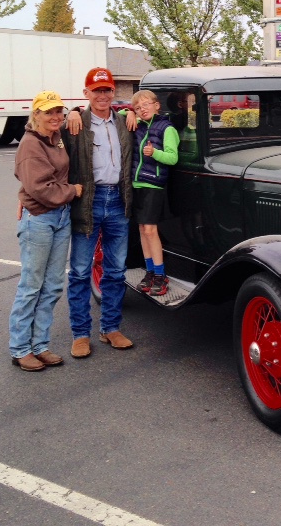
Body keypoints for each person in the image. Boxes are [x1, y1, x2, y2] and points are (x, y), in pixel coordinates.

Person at [61, 67, 134, 358]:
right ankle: (80, 334)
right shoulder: (75, 122)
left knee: (116, 271)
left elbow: (155, 115)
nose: (102, 95)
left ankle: (110, 329)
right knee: (80, 271)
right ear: (86, 93)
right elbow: (45, 138)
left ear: (113, 92)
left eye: (107, 90)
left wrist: (131, 110)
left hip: (118, 201)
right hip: (87, 202)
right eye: (96, 90)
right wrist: (71, 112)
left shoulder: (125, 122)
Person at [9, 91, 83, 371]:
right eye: (48, 111)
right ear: (35, 114)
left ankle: (40, 345)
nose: (55, 117)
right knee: (31, 286)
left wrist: (76, 110)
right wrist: (73, 190)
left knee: (52, 286)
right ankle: (20, 348)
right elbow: (40, 188)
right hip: (39, 218)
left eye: (59, 111)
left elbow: (107, 111)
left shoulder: (56, 134)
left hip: (60, 218)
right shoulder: (30, 145)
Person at [131, 90, 180, 295]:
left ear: (156, 105)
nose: (142, 110)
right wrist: (129, 112)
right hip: (138, 184)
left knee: (151, 231)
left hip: (153, 185)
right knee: (142, 230)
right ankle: (150, 271)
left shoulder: (167, 128)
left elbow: (172, 158)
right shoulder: (139, 125)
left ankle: (160, 275)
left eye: (146, 105)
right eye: (138, 108)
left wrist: (154, 153)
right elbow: (120, 114)